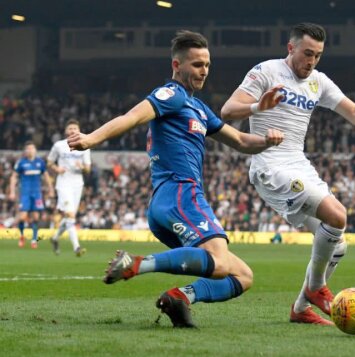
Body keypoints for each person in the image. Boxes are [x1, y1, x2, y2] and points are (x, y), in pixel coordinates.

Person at [67, 30, 284, 328]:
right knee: (219, 263)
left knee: (243, 276)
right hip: (181, 194)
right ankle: (137, 264)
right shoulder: (170, 95)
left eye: (207, 64)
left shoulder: (199, 108)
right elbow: (131, 117)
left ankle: (179, 298)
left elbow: (241, 142)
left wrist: (267, 140)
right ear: (176, 65)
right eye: (196, 64)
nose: (204, 70)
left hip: (169, 203)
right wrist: (91, 138)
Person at [221, 22, 355, 325]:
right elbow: (228, 111)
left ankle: (300, 308)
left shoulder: (318, 81)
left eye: (318, 55)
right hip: (269, 163)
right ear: (290, 47)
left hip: (298, 163)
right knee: (337, 215)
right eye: (307, 53)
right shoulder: (266, 71)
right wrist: (258, 106)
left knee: (338, 243)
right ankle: (317, 287)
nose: (312, 61)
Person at [47, 119, 91, 256]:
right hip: (63, 184)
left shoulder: (85, 145)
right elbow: (49, 162)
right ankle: (77, 247)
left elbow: (88, 169)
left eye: (75, 128)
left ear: (79, 131)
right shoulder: (59, 145)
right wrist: (56, 168)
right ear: (66, 131)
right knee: (70, 215)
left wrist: (82, 167)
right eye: (70, 128)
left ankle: (54, 238)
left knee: (70, 218)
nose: (72, 130)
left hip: (77, 185)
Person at [8, 141, 54, 248]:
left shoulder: (40, 162)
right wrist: (12, 191)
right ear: (25, 151)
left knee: (36, 217)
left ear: (35, 150)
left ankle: (34, 240)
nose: (30, 150)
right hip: (25, 193)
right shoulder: (21, 163)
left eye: (32, 148)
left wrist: (51, 189)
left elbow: (46, 176)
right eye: (28, 149)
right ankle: (22, 236)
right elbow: (13, 177)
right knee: (23, 217)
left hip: (37, 194)